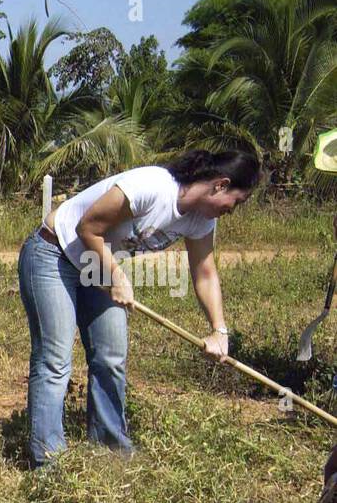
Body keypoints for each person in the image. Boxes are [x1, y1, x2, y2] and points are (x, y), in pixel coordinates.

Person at [19, 148, 261, 468]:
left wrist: (219, 330)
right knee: (55, 360)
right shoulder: (152, 186)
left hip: (98, 269)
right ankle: (49, 461)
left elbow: (204, 271)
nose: (233, 210)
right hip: (54, 253)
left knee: (111, 356)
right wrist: (117, 275)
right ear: (220, 184)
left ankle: (110, 447)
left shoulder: (201, 220)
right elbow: (88, 228)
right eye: (237, 201)